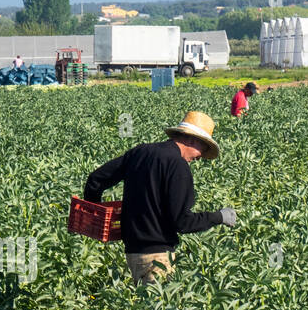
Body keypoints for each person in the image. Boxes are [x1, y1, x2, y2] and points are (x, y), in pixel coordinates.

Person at [83, 110, 239, 285]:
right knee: (159, 309)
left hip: (133, 253)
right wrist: (219, 217)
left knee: (145, 307)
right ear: (191, 139)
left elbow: (95, 179)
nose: (201, 155)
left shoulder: (140, 152)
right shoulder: (178, 165)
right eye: (202, 148)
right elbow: (183, 222)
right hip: (157, 257)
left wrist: (94, 214)